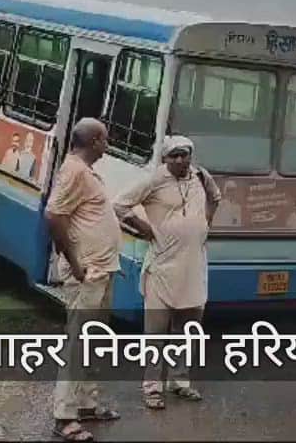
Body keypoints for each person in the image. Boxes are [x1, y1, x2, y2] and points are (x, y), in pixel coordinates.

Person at [115, 135, 221, 411]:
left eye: (184, 154)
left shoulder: (200, 177)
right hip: (162, 266)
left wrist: (205, 223)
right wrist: (143, 228)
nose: (180, 159)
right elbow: (119, 205)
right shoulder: (154, 180)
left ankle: (180, 381)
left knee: (188, 330)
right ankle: (152, 387)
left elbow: (215, 198)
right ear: (165, 158)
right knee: (156, 332)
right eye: (174, 155)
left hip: (194, 265)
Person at [46, 118, 122, 442]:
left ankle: (87, 404)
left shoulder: (86, 171)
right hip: (87, 271)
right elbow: (53, 214)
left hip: (102, 269)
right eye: (105, 139)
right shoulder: (75, 170)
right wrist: (75, 263)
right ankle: (64, 417)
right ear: (94, 141)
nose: (107, 144)